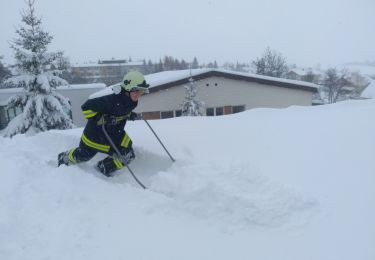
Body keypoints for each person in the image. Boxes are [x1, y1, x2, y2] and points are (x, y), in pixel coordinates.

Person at [58, 70, 149, 177]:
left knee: (128, 154)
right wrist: (103, 118)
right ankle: (64, 157)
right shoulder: (111, 98)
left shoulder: (131, 100)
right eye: (136, 91)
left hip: (115, 133)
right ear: (127, 89)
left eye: (141, 91)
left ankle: (103, 167)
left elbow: (119, 112)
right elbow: (86, 107)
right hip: (97, 135)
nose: (138, 94)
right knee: (85, 155)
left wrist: (129, 115)